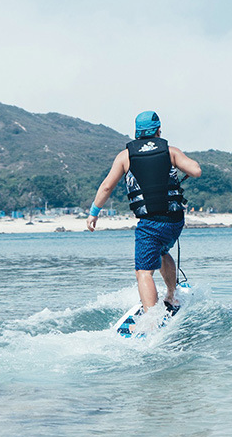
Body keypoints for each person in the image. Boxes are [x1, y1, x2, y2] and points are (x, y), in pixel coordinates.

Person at [86, 111, 201, 312]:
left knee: (144, 272)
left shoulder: (125, 156)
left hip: (150, 224)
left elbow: (107, 187)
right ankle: (172, 296)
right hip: (175, 221)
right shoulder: (170, 152)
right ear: (158, 131)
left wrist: (94, 213)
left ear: (137, 132)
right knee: (162, 251)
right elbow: (196, 171)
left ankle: (151, 319)